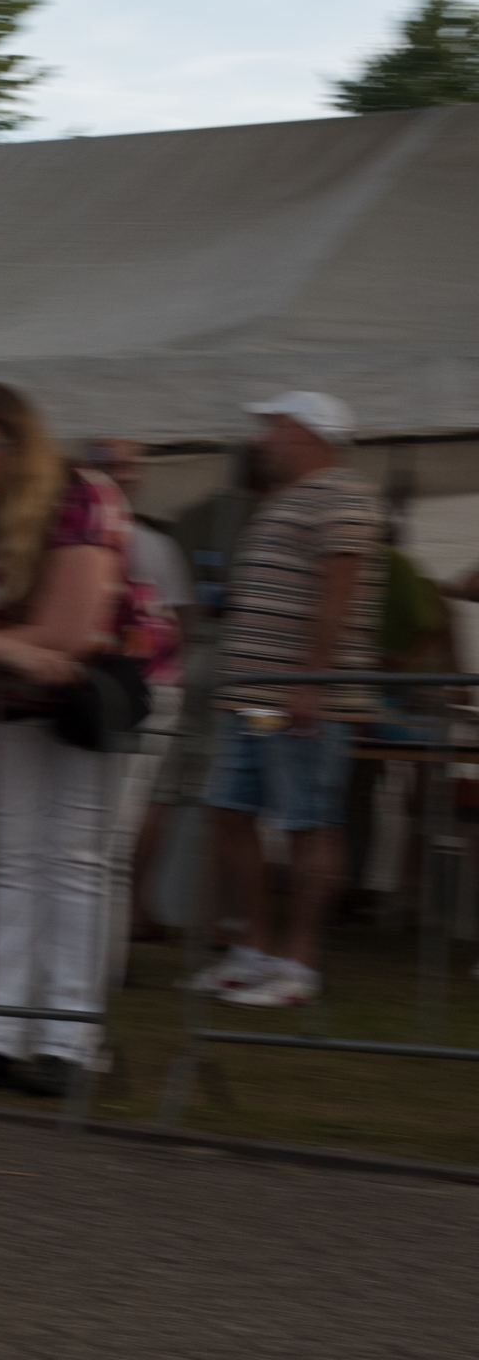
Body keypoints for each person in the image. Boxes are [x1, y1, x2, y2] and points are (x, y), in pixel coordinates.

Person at [0, 381, 138, 1097]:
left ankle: (71, 1039)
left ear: (18, 446)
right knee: (10, 860)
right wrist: (8, 652)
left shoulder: (81, 496)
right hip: (11, 690)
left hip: (92, 693)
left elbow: (70, 633)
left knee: (73, 859)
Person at [186, 392, 385, 1010]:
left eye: (271, 427)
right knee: (231, 812)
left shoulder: (344, 495)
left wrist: (312, 682)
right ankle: (255, 952)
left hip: (299, 698)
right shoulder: (286, 501)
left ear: (304, 431)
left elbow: (338, 593)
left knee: (306, 823)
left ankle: (299, 965)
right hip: (253, 696)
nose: (262, 440)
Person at [81, 438, 192, 961]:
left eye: (129, 466)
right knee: (98, 837)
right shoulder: (82, 531)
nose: (121, 475)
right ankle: (97, 961)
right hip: (102, 693)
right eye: (110, 464)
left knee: (113, 836)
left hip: (142, 693)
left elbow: (177, 626)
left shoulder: (151, 545)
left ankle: (101, 962)